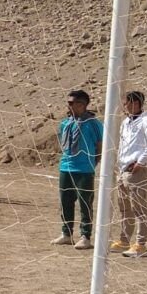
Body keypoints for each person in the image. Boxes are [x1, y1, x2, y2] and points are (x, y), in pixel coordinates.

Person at [110, 91, 147, 258]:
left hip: (136, 170)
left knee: (139, 208)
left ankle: (140, 244)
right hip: (123, 169)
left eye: (126, 103)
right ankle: (124, 240)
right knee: (124, 208)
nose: (124, 106)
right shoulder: (126, 122)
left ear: (135, 103)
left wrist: (141, 161)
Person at [53, 89, 103, 249]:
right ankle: (66, 234)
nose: (68, 106)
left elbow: (100, 146)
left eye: (70, 103)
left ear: (81, 105)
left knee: (85, 203)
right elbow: (62, 142)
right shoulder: (65, 123)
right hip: (65, 167)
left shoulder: (93, 124)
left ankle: (85, 237)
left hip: (84, 170)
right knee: (65, 201)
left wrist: (92, 162)